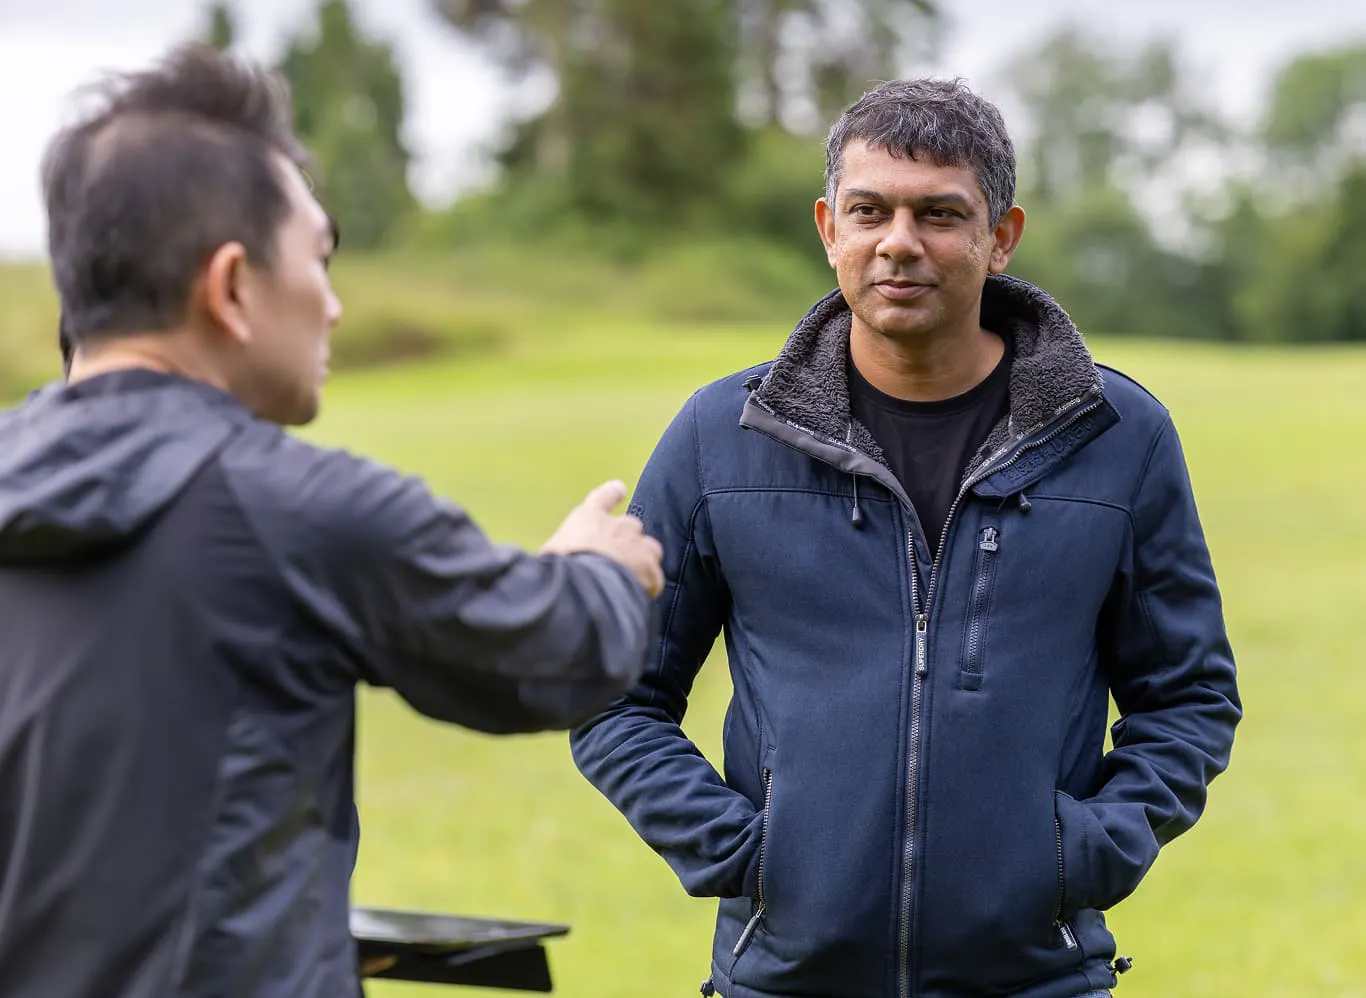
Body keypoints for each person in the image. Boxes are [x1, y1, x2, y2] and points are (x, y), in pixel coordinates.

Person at [0, 44, 663, 998]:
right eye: (319, 259)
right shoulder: (291, 506)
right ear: (230, 287)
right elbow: (547, 655)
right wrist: (599, 569)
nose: (337, 305)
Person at [570, 78, 1242, 998]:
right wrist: (750, 856)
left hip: (1036, 980)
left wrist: (1076, 856)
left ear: (999, 237)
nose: (899, 243)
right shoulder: (721, 435)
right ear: (827, 228)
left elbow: (1190, 698)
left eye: (939, 214)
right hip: (784, 977)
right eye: (869, 210)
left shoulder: (1119, 436)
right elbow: (612, 688)